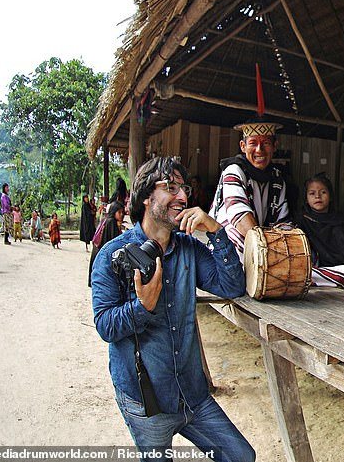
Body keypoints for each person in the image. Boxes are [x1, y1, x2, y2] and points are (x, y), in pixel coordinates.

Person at [91, 156, 254, 461]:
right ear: (146, 196)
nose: (183, 197)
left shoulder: (189, 248)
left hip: (193, 395)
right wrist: (142, 307)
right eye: (171, 187)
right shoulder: (112, 255)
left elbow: (232, 285)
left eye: (185, 188)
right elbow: (105, 325)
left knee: (241, 456)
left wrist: (216, 231)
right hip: (145, 403)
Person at [209, 116, 297, 262]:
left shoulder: (277, 178)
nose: (259, 150)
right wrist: (268, 252)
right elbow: (240, 218)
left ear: (275, 145)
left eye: (266, 143)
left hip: (261, 244)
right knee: (233, 238)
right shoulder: (234, 171)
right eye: (253, 143)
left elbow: (283, 222)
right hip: (230, 243)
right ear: (243, 146)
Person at [296, 174, 344, 286]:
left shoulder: (340, 220)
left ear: (331, 196)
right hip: (319, 267)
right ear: (306, 198)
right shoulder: (302, 221)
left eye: (323, 192)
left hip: (343, 268)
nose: (318, 196)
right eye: (312, 193)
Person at [89, 201, 127, 286]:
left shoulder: (106, 219)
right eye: (119, 212)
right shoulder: (111, 223)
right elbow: (115, 242)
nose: (121, 215)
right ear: (114, 212)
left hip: (97, 252)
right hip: (103, 254)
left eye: (122, 212)